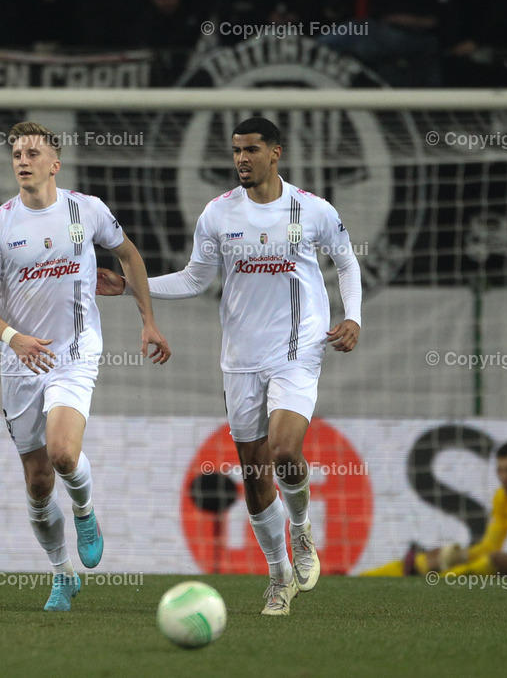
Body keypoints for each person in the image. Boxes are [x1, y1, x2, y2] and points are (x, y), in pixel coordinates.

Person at [97, 116, 362, 616]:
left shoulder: (312, 209)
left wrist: (354, 317)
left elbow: (346, 262)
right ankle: (278, 575)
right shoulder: (218, 214)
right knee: (255, 471)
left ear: (276, 152)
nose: (241, 158)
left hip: (298, 349)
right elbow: (196, 278)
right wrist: (133, 286)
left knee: (285, 451)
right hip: (240, 359)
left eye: (252, 149)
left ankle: (301, 529)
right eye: (236, 150)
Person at [0, 122, 170, 612]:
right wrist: (14, 340)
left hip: (76, 352)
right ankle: (62, 574)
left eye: (33, 152)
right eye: (16, 152)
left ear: (54, 164)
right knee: (37, 484)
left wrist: (148, 321)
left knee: (62, 454)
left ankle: (84, 509)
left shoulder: (88, 210)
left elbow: (129, 256)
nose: (22, 159)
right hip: (21, 362)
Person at [363, 442, 507, 578]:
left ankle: (442, 581)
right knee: (439, 558)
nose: (503, 477)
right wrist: (460, 555)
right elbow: (490, 545)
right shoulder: (503, 498)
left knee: (496, 561)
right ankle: (365, 577)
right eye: (500, 470)